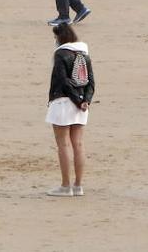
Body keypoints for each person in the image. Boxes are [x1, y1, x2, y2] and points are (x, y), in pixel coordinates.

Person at [46, 23, 94, 196]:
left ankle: (66, 186)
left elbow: (63, 80)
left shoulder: (61, 53)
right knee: (78, 144)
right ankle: (78, 185)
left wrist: (76, 99)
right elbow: (91, 82)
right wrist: (85, 100)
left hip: (63, 102)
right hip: (81, 105)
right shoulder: (84, 53)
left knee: (63, 144)